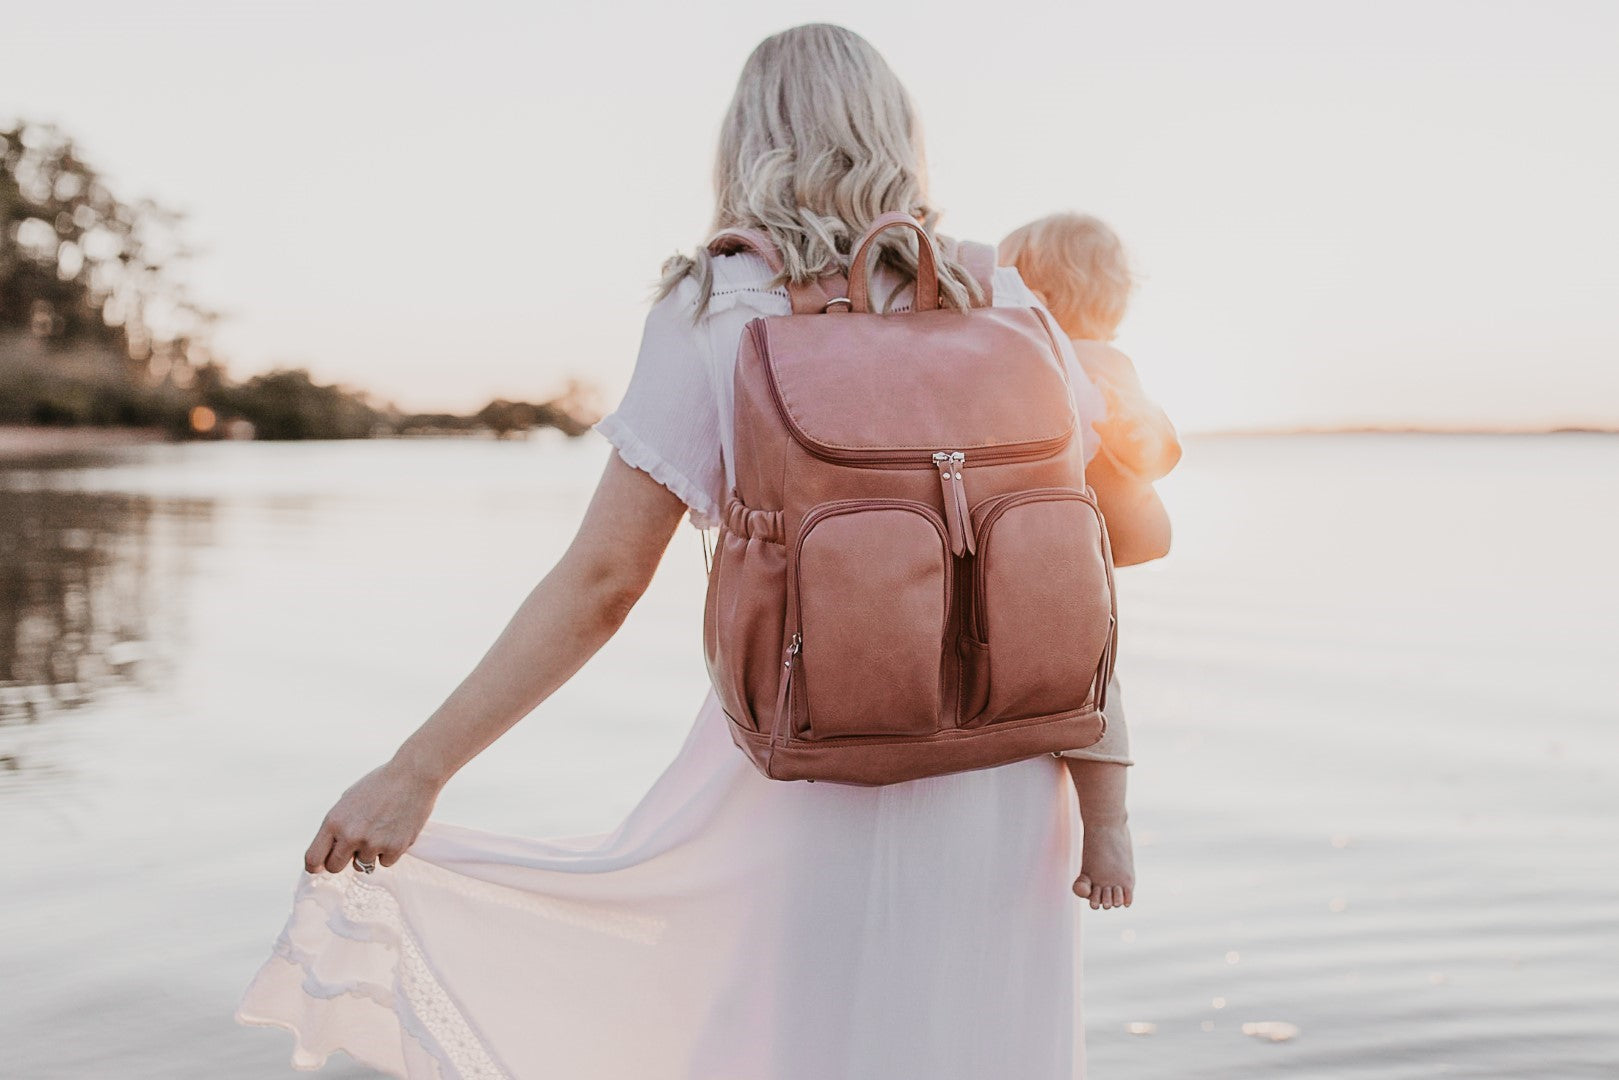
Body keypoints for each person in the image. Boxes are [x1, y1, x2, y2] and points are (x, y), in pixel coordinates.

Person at [238, 25, 1157, 1080]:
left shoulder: (718, 304)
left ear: (743, 140)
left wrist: (417, 771)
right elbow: (1085, 545)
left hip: (810, 755)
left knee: (797, 1044)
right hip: (1005, 763)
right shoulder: (1003, 298)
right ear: (897, 135)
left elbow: (600, 584)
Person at [1000, 210, 1182, 917]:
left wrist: (1138, 435)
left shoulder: (1048, 352)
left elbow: (1156, 445)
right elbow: (1161, 450)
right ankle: (1105, 823)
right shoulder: (1099, 359)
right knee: (1095, 686)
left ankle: (1106, 827)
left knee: (1088, 683)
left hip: (1045, 546)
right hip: (1076, 556)